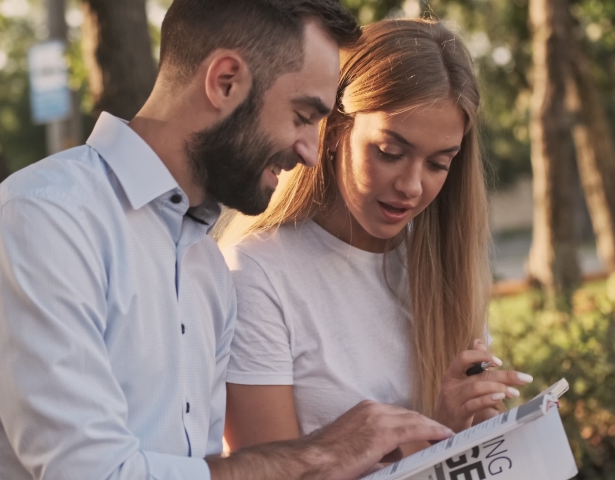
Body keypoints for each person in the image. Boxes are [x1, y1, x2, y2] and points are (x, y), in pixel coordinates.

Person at [0, 2, 455, 479]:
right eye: (303, 116)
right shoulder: (45, 222)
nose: (310, 152)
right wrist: (317, 453)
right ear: (225, 81)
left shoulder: (204, 264)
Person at [220, 18, 534, 454]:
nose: (411, 186)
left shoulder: (444, 267)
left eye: (439, 164)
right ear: (334, 130)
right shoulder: (255, 273)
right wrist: (434, 436)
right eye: (390, 153)